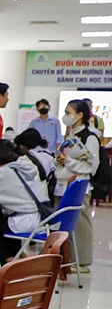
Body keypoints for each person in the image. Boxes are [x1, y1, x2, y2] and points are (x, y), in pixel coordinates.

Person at [0, 139, 50, 265]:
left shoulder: (3, 173)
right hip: (42, 217)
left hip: (28, 220)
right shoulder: (21, 168)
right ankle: (16, 255)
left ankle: (9, 259)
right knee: (1, 218)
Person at [58, 99, 101, 269]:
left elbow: (92, 166)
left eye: (68, 113)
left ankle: (83, 261)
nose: (66, 116)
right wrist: (61, 160)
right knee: (67, 225)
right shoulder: (70, 136)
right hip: (64, 183)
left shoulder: (90, 137)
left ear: (80, 115)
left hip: (79, 185)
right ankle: (67, 259)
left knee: (80, 224)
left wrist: (69, 161)